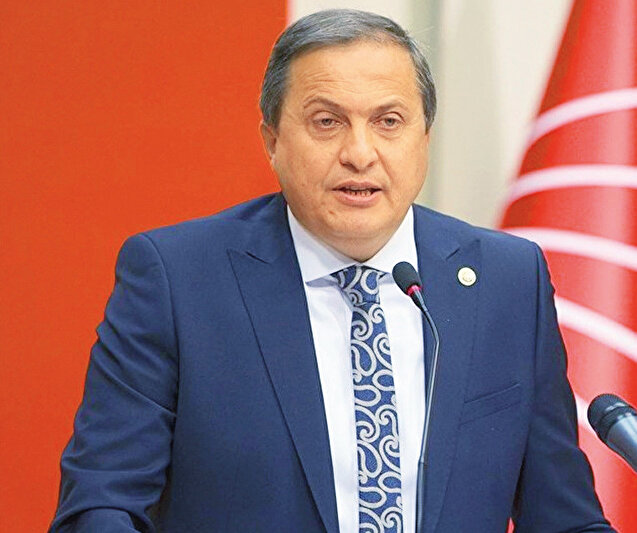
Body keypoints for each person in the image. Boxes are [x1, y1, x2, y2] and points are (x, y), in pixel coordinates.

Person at [50, 9, 614, 533]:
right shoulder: (178, 279)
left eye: (388, 121)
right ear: (272, 140)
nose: (360, 153)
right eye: (327, 122)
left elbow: (564, 517)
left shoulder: (507, 282)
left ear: (424, 138)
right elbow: (101, 503)